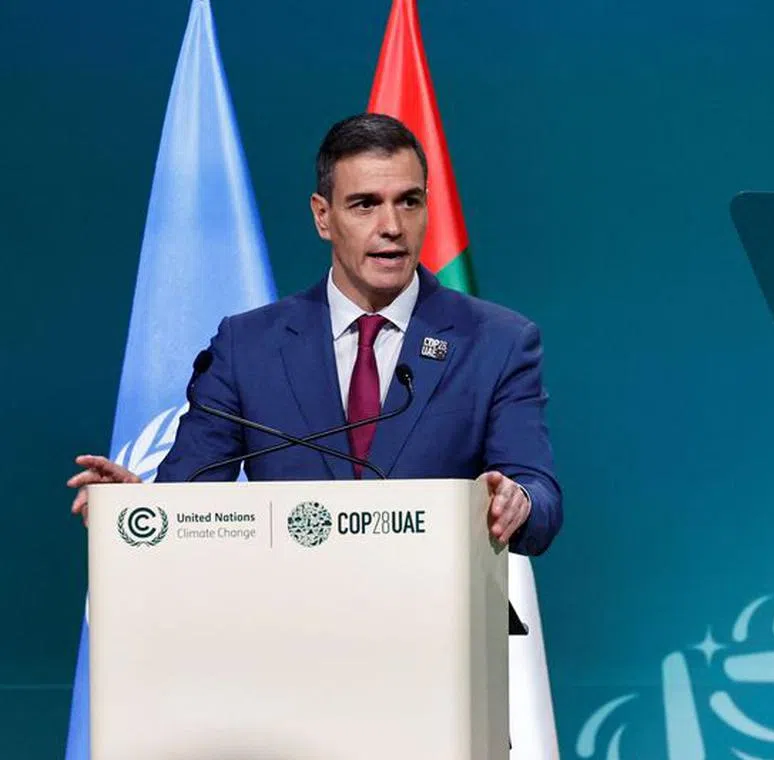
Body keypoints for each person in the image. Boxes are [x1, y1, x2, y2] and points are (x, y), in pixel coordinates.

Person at [68, 113, 562, 556]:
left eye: (408, 202)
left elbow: (538, 495)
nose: (391, 226)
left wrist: (518, 500)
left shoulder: (496, 342)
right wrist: (136, 512)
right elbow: (190, 502)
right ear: (323, 216)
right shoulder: (248, 347)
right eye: (365, 205)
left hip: (438, 640)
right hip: (285, 635)